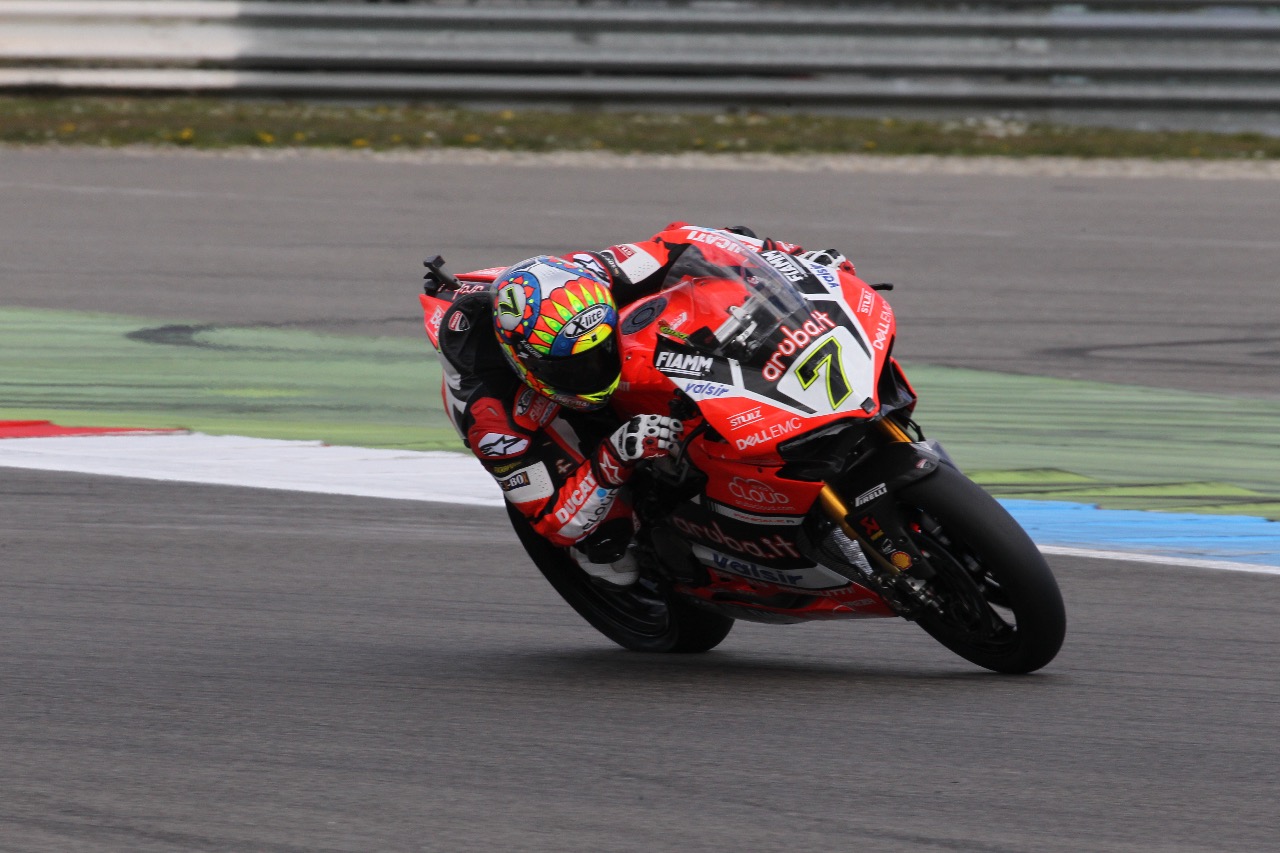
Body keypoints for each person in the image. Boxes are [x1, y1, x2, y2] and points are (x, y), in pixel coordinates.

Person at [430, 222, 852, 585]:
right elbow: (554, 519)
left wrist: (794, 259)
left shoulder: (598, 272)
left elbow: (694, 240)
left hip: (597, 324)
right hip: (534, 408)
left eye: (598, 352)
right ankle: (608, 548)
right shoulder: (491, 416)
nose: (593, 371)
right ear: (526, 361)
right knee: (606, 544)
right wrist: (615, 455)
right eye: (574, 366)